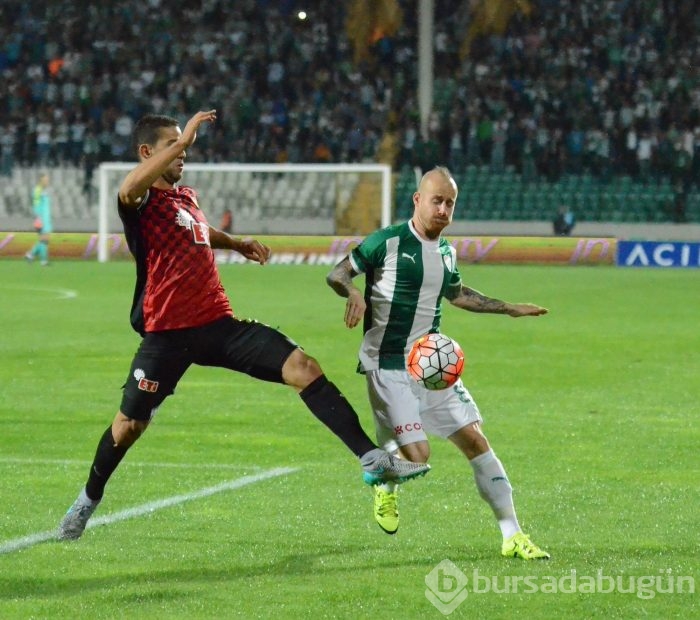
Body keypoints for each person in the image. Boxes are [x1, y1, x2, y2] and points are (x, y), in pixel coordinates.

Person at [57, 110, 429, 541]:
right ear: (146, 153)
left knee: (303, 368)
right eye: (172, 147)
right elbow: (127, 187)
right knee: (128, 428)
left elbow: (198, 230)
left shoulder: (185, 198)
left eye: (183, 147)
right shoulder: (139, 204)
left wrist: (237, 242)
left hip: (218, 325)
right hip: (166, 334)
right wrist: (186, 138)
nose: (183, 156)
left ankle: (371, 459)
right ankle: (88, 499)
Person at [326, 166, 550, 560]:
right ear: (417, 200)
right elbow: (338, 272)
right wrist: (353, 291)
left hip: (432, 366)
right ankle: (383, 474)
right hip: (388, 365)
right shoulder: (387, 242)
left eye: (450, 203)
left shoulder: (446, 252)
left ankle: (512, 535)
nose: (443, 209)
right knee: (418, 457)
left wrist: (508, 308)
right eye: (437, 200)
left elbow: (458, 294)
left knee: (477, 442)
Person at [25, 172, 52, 265]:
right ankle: (43, 261)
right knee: (44, 239)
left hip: (46, 218)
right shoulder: (37, 190)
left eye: (48, 180)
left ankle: (31, 254)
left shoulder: (44, 190)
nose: (47, 181)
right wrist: (38, 218)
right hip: (42, 218)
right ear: (41, 180)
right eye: (46, 180)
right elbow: (36, 205)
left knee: (44, 239)